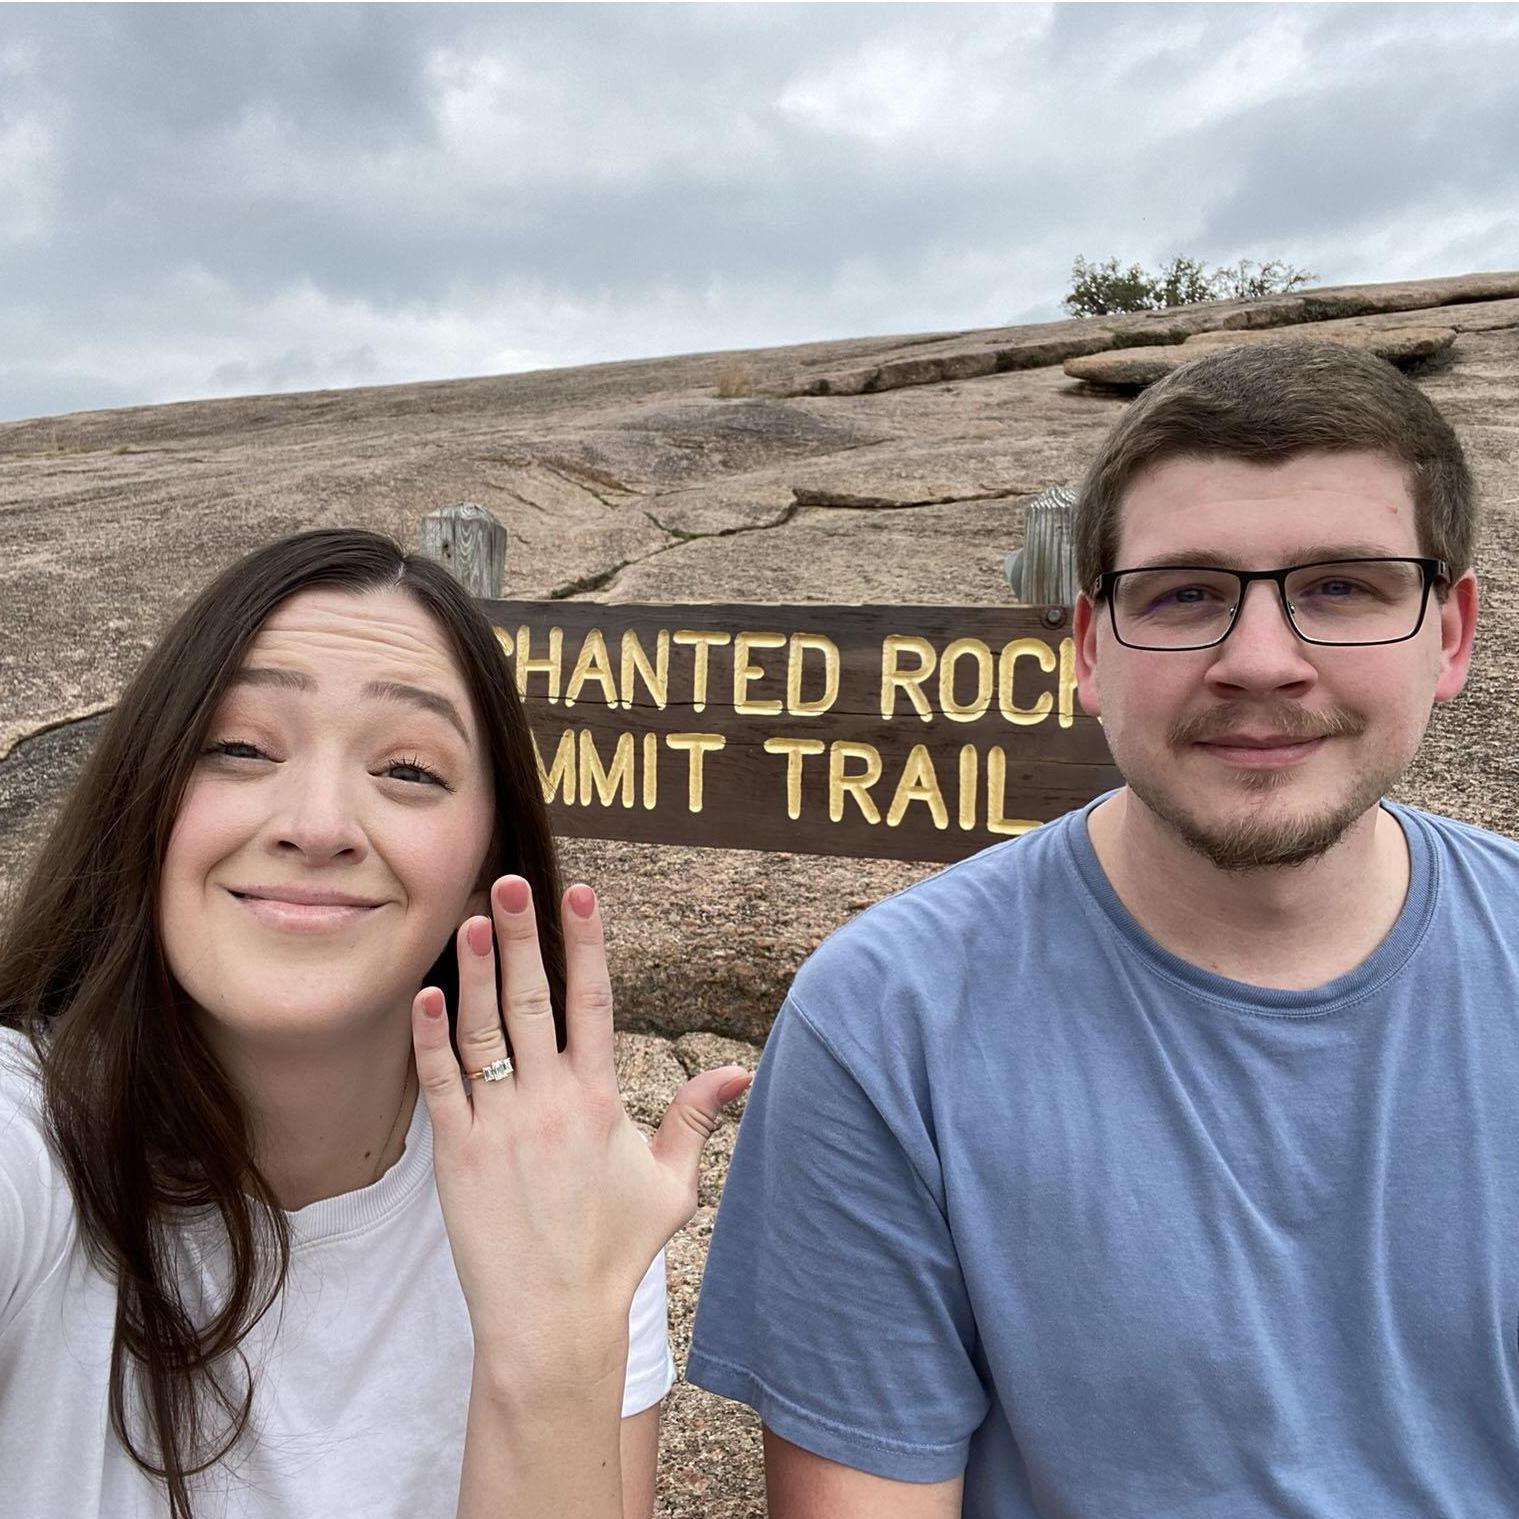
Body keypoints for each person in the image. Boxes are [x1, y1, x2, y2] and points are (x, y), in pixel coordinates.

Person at [687, 341, 1519, 1516]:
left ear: (1450, 632)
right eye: (1184, 595)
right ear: (1088, 646)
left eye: (1342, 586)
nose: (1261, 661)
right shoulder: (890, 1020)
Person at [0, 528, 750, 1518]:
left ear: (487, 868)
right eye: (237, 747)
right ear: (141, 805)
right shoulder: (29, 1145)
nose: (316, 822)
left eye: (407, 769)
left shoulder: (564, 1182)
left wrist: (554, 1332)